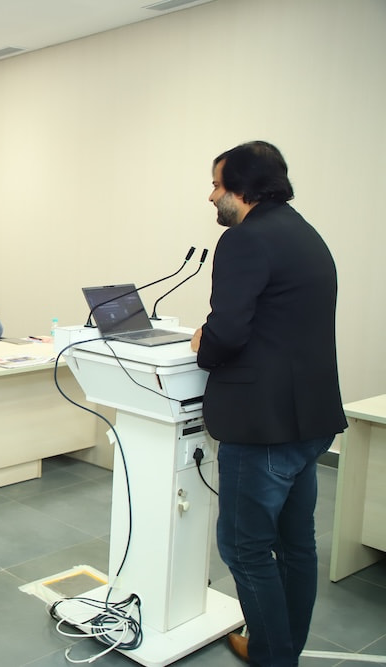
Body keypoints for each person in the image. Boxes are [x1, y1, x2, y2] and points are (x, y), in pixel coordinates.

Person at [190, 141, 346, 666]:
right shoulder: (304, 233)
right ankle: (280, 649)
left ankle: (271, 658)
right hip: (310, 420)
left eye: (217, 185)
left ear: (243, 187)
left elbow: (227, 335)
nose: (212, 196)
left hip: (262, 426)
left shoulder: (245, 240)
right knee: (296, 546)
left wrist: (201, 342)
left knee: (245, 548)